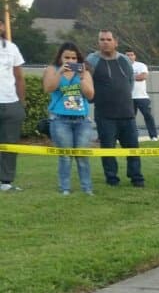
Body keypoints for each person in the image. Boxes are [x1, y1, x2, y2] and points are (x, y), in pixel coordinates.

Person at [87, 30, 144, 187]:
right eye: (102, 39)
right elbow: (85, 81)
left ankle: (136, 178)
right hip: (105, 115)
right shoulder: (92, 60)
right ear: (98, 42)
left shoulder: (125, 60)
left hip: (127, 113)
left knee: (133, 148)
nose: (105, 42)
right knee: (108, 150)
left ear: (115, 42)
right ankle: (112, 178)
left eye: (109, 39)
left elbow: (130, 82)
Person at [42, 42, 94, 195]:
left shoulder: (84, 72)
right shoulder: (52, 69)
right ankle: (65, 188)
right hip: (60, 119)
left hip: (82, 120)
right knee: (65, 156)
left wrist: (82, 76)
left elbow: (90, 95)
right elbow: (48, 88)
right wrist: (60, 73)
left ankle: (87, 188)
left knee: (82, 155)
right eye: (67, 57)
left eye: (73, 57)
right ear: (60, 57)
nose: (70, 61)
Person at [0, 19, 26, 192]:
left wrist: (21, 103)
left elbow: (19, 77)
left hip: (10, 103)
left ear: (2, 26)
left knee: (9, 144)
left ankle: (5, 182)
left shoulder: (11, 48)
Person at [125, 49, 158, 140]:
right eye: (127, 55)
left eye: (131, 55)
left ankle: (153, 136)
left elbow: (143, 77)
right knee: (130, 118)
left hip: (142, 97)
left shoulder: (141, 65)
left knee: (148, 116)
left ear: (135, 56)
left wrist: (129, 77)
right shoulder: (122, 66)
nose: (129, 57)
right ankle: (132, 136)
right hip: (128, 98)